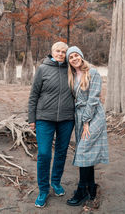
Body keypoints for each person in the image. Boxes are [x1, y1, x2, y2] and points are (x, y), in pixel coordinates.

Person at [28, 42, 75, 208]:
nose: (61, 54)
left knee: (61, 152)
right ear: (52, 51)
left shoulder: (71, 69)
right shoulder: (42, 69)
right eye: (58, 51)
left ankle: (55, 182)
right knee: (44, 154)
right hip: (44, 118)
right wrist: (31, 118)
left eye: (64, 51)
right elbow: (34, 95)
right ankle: (43, 189)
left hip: (67, 119)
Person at [65, 46, 109, 206]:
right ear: (68, 61)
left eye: (76, 55)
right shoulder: (71, 75)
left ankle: (81, 189)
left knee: (83, 151)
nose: (74, 59)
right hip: (79, 116)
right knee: (86, 152)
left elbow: (93, 99)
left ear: (81, 56)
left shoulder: (93, 72)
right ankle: (91, 186)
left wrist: (86, 122)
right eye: (71, 57)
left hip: (93, 116)